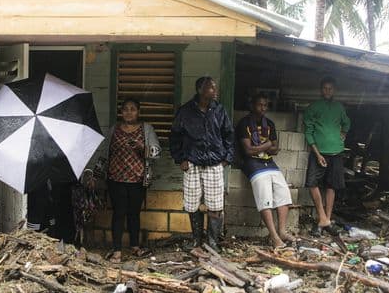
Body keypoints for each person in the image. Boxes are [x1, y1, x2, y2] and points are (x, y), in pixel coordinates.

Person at [170, 76, 234, 253]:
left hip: (214, 164)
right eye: (211, 88)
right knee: (192, 204)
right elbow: (175, 136)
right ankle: (196, 240)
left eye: (215, 87)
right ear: (200, 90)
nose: (215, 90)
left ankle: (212, 242)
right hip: (192, 163)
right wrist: (180, 158)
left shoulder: (219, 110)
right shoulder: (185, 111)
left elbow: (229, 134)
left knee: (215, 204)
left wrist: (227, 158)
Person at [97, 98, 161, 262]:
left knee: (134, 214)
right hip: (116, 178)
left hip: (138, 179)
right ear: (121, 112)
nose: (128, 112)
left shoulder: (146, 129)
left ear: (138, 112)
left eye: (132, 109)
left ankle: (135, 247)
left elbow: (156, 153)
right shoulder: (114, 129)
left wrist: (143, 149)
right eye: (125, 109)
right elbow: (105, 152)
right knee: (118, 213)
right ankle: (117, 250)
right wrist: (95, 173)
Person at [235, 92, 293, 247]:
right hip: (251, 163)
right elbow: (248, 151)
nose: (263, 108)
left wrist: (264, 148)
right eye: (260, 104)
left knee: (283, 192)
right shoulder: (244, 124)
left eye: (265, 105)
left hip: (268, 162)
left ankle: (281, 231)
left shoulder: (270, 124)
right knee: (264, 195)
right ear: (252, 105)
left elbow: (276, 149)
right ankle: (274, 237)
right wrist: (266, 145)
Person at [303, 76, 351, 236]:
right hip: (319, 152)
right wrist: (317, 154)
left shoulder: (339, 107)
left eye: (330, 88)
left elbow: (346, 122)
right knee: (312, 183)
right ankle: (322, 217)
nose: (327, 91)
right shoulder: (314, 107)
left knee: (331, 186)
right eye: (325, 88)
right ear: (321, 90)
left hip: (336, 152)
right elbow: (308, 131)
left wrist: (343, 133)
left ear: (334, 90)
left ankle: (326, 220)